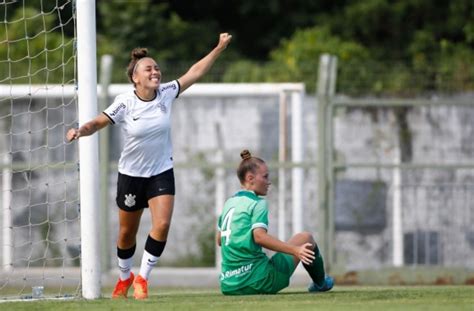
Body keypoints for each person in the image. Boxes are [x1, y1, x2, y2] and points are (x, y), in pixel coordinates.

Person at [66, 33, 232, 299]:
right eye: (148, 69)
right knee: (126, 233)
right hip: (131, 176)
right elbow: (98, 122)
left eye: (156, 67)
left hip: (161, 171)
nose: (155, 71)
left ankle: (142, 278)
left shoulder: (166, 93)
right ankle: (124, 278)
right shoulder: (125, 102)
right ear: (136, 77)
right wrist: (80, 130)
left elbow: (195, 72)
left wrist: (219, 48)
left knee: (163, 224)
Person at [216, 149, 334, 295]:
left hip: (229, 285)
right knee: (305, 238)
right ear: (250, 178)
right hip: (260, 281)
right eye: (265, 177)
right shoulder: (257, 203)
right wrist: (295, 250)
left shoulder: (229, 203)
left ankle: (319, 282)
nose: (268, 181)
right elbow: (259, 237)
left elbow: (219, 240)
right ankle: (320, 283)